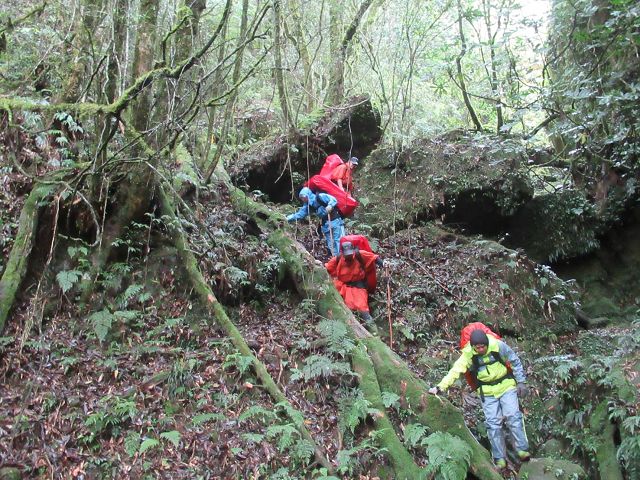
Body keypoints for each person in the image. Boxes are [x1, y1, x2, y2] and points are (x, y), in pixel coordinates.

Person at [428, 329, 531, 469]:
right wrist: (440, 387)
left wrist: (521, 382)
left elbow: (514, 360)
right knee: (493, 424)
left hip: (506, 386)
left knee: (513, 416)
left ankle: (522, 450)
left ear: (487, 343)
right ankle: (499, 458)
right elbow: (456, 370)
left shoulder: (498, 346)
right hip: (487, 391)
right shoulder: (469, 354)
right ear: (473, 346)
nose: (481, 349)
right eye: (478, 347)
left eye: (483, 346)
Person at [325, 241, 383, 325]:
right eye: (346, 255)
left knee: (363, 309)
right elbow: (327, 268)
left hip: (358, 286)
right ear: (342, 253)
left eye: (350, 254)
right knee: (339, 302)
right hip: (343, 286)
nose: (348, 256)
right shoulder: (338, 258)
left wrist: (383, 263)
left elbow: (374, 258)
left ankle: (373, 331)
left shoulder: (359, 254)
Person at [287, 187, 344, 256]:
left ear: (308, 195)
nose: (302, 199)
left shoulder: (320, 197)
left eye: (303, 197)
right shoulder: (308, 206)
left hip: (335, 221)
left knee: (339, 241)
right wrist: (287, 218)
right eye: (301, 198)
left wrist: (330, 206)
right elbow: (300, 214)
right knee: (331, 243)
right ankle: (336, 259)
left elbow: (333, 199)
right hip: (326, 225)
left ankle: (343, 258)